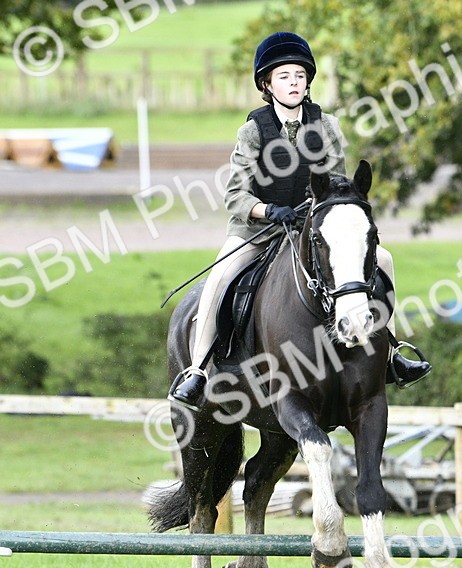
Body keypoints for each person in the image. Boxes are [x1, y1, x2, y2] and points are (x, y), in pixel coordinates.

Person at [168, 32, 431, 411]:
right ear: (267, 84)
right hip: (259, 231)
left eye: (299, 75)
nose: (293, 82)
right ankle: (198, 370)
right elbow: (235, 195)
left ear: (308, 82)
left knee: (384, 260)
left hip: (314, 230)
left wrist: (317, 214)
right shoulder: (252, 131)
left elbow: (336, 185)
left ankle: (392, 355)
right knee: (221, 276)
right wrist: (268, 210)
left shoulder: (327, 127)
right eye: (284, 76)